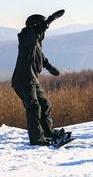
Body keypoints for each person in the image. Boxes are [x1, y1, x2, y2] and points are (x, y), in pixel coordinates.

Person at [11, 9, 70, 146]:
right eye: (41, 28)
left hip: (32, 80)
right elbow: (36, 31)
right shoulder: (25, 37)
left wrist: (50, 68)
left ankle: (48, 132)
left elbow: (42, 59)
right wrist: (50, 19)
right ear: (34, 26)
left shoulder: (35, 43)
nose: (43, 33)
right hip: (23, 80)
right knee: (34, 107)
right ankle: (37, 139)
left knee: (45, 104)